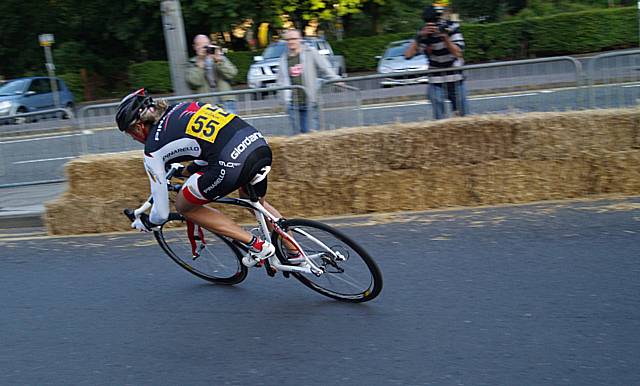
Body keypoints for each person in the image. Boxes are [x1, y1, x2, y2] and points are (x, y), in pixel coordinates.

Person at [115, 88, 295, 267]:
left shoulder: (152, 150)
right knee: (253, 202)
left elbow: (161, 213)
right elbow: (208, 147)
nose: (133, 138)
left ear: (139, 126)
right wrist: (185, 172)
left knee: (184, 206)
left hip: (231, 164)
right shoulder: (183, 107)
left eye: (130, 133)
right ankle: (294, 251)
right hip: (258, 146)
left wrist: (149, 223)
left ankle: (256, 245)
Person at [405, 4, 468, 120]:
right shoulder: (423, 33)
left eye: (433, 22)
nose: (431, 26)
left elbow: (458, 53)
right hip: (435, 79)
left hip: (455, 78)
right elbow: (408, 55)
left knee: (463, 117)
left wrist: (445, 38)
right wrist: (419, 37)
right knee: (439, 119)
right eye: (428, 22)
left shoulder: (451, 27)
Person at [276, 29, 341, 134]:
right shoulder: (283, 59)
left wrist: (336, 79)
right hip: (293, 103)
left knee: (310, 133)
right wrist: (282, 101)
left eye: (293, 39)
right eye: (288, 40)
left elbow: (325, 68)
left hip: (309, 100)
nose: (291, 42)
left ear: (300, 39)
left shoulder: (310, 52)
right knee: (297, 135)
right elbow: (280, 81)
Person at [186, 34, 238, 114]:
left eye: (206, 44)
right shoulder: (192, 63)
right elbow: (194, 82)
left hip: (225, 99)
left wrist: (219, 61)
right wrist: (199, 65)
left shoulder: (219, 58)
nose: (204, 47)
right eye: (200, 45)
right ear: (194, 47)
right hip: (206, 104)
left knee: (232, 126)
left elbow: (232, 73)